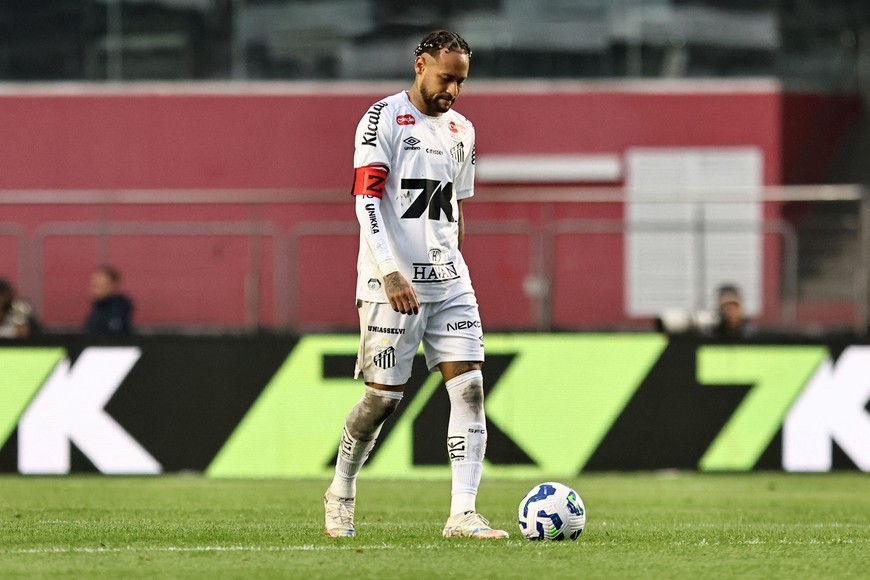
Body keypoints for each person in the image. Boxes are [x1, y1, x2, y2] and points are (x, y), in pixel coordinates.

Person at [323, 30, 507, 540]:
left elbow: (456, 207)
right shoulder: (381, 119)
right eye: (446, 77)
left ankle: (462, 514)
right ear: (421, 64)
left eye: (461, 81)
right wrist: (389, 270)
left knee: (469, 388)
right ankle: (341, 489)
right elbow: (366, 201)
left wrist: (454, 269)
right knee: (382, 401)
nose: (452, 90)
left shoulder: (462, 131)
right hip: (390, 283)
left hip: (449, 283)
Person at [83, 265, 134, 336]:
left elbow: (114, 334)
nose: (95, 290)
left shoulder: (119, 308)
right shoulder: (98, 307)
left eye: (100, 286)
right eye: (94, 285)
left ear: (113, 285)